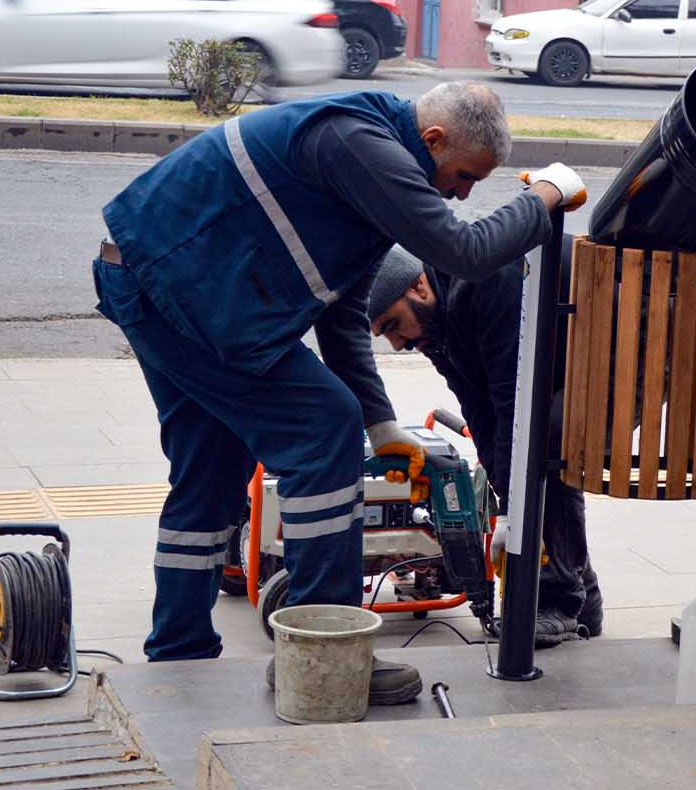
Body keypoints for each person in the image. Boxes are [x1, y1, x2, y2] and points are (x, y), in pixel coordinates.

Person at [91, 82, 585, 704]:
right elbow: (466, 251)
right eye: (462, 176)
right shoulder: (363, 147)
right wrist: (548, 192)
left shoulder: (369, 152)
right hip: (188, 293)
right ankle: (327, 648)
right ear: (432, 142)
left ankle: (178, 654)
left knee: (210, 474)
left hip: (159, 284)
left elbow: (343, 308)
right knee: (324, 428)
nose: (461, 193)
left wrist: (382, 426)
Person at [355, 240, 602, 647]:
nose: (396, 343)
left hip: (629, 354)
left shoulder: (488, 281)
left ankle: (557, 599)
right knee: (530, 443)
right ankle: (578, 590)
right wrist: (504, 494)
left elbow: (515, 408)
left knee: (546, 439)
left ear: (419, 287)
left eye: (393, 325)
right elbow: (481, 414)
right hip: (559, 371)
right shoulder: (435, 325)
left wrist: (511, 512)